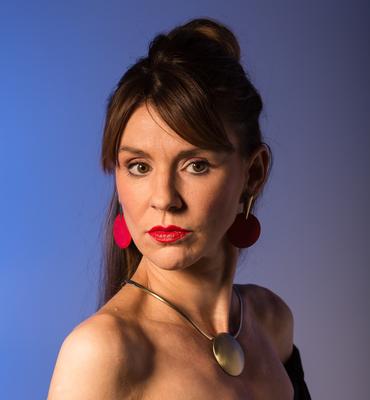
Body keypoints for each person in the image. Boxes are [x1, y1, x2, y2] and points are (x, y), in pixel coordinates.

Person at [48, 17, 311, 399]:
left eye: (196, 165)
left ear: (253, 173)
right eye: (139, 167)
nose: (164, 198)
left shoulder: (271, 321)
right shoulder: (102, 352)